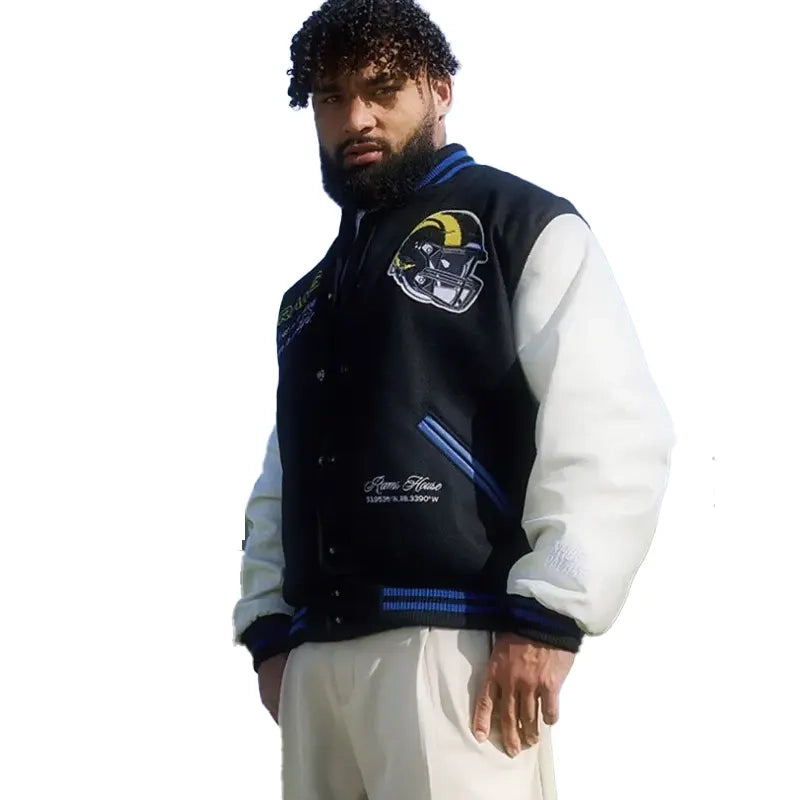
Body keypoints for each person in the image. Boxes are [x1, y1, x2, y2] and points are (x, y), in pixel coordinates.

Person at [233, 1, 675, 797]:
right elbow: (287, 462)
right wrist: (267, 625)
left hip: (458, 652)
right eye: (331, 97)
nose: (356, 118)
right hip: (317, 663)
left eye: (383, 89)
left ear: (439, 90)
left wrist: (552, 615)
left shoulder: (520, 225)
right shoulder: (312, 294)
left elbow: (611, 427)